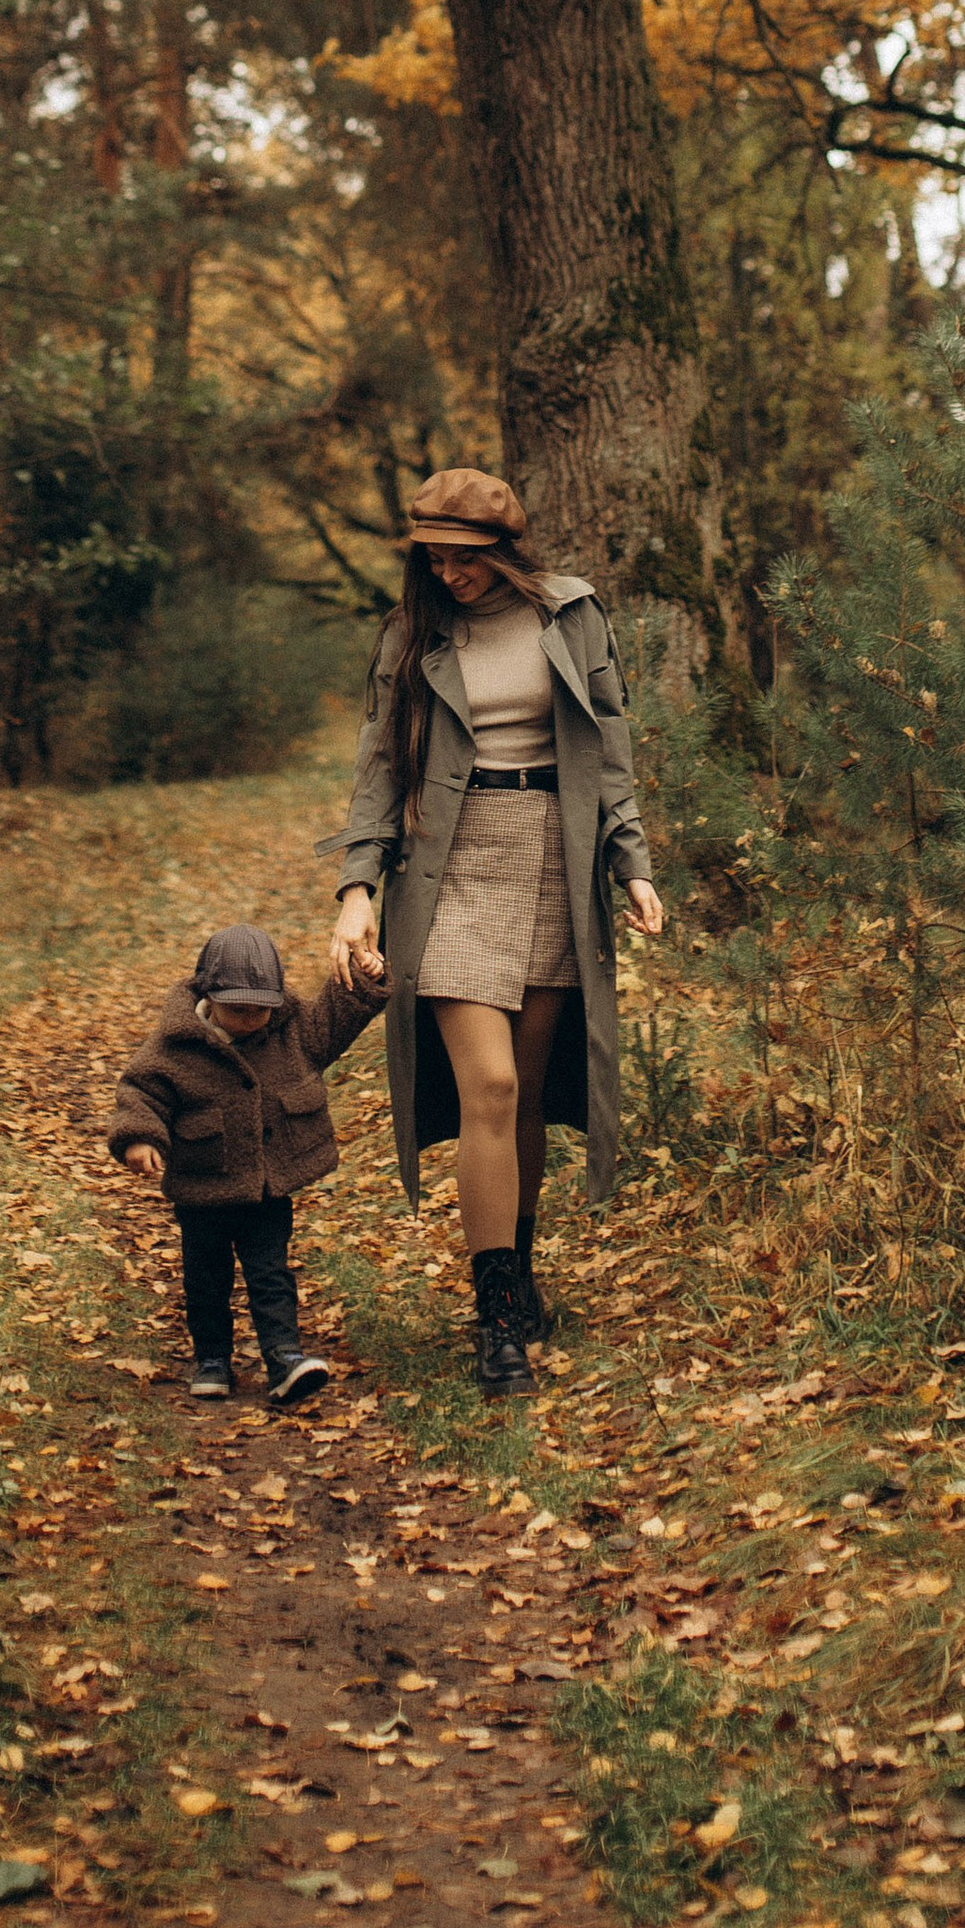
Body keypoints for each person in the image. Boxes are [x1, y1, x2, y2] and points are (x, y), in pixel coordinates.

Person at [328, 467, 664, 1395]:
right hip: (452, 863)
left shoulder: (571, 616)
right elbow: (377, 771)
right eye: (431, 556)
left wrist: (630, 863)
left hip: (555, 857)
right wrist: (359, 888)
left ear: (505, 552)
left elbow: (610, 746)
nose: (446, 571)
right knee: (492, 1082)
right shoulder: (412, 632)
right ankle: (494, 1320)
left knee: (522, 1098)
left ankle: (516, 1281)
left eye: (463, 556)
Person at [109, 920, 386, 1404]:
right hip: (202, 1187)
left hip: (266, 1186)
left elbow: (336, 1019)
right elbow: (140, 1091)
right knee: (206, 1276)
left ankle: (284, 1356)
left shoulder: (293, 1032)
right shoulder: (176, 1045)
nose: (252, 1020)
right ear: (209, 997)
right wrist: (139, 1137)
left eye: (263, 1009)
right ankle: (212, 1358)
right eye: (239, 1010)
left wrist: (364, 977)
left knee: (270, 1272)